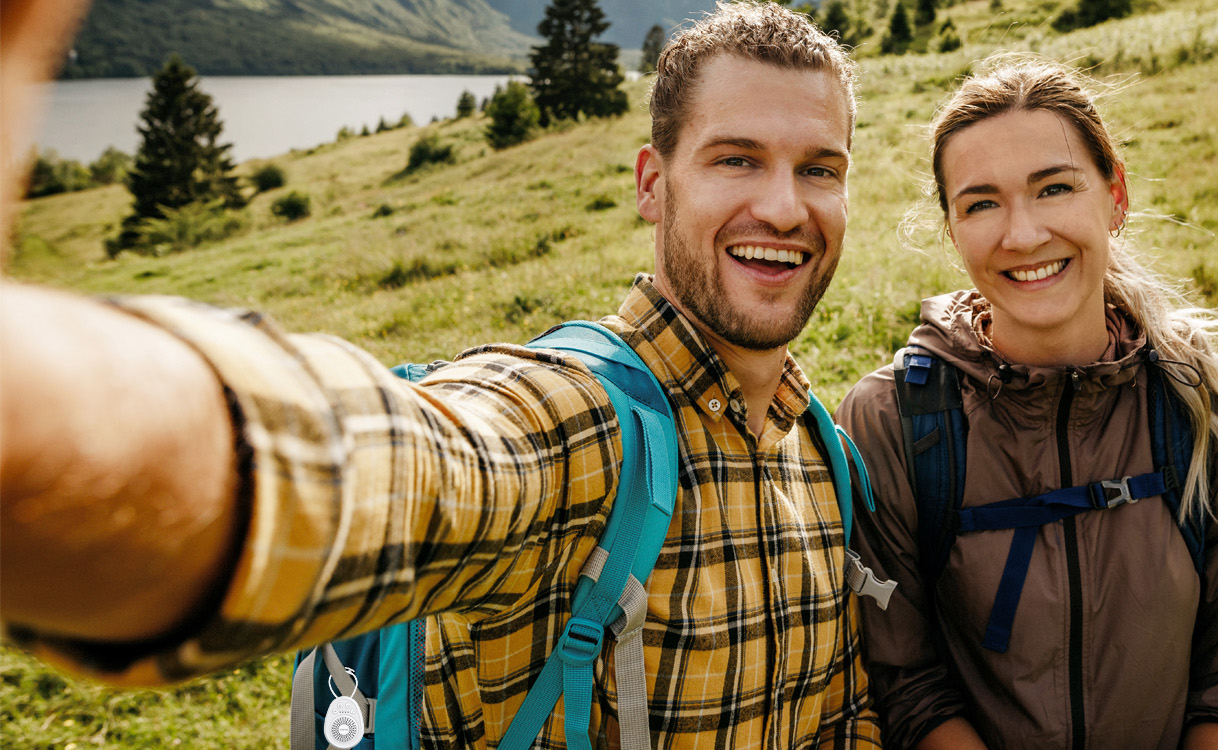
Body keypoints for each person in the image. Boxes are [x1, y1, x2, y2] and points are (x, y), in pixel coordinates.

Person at [0, 2, 883, 748]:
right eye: (736, 159)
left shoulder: (824, 453)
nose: (782, 206)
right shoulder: (579, 426)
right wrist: (46, 415)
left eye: (819, 169)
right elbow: (389, 472)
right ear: (654, 185)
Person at [835, 56, 1218, 750]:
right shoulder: (891, 423)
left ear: (1115, 197)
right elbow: (906, 683)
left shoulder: (1215, 410)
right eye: (982, 203)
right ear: (952, 227)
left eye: (1053, 188)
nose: (1022, 235)